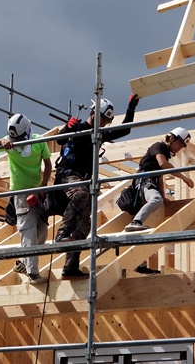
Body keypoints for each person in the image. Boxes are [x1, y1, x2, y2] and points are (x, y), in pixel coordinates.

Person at [54, 94, 139, 278]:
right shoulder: (79, 127)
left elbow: (125, 130)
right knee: (82, 195)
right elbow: (60, 140)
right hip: (68, 175)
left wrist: (131, 106)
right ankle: (62, 234)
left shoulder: (99, 134)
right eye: (103, 119)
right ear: (93, 113)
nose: (105, 124)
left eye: (107, 122)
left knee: (84, 223)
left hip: (84, 180)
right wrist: (66, 127)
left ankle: (71, 267)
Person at [0, 113, 52, 284]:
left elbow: (48, 164)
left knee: (42, 231)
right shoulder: (9, 142)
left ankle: (23, 262)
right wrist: (0, 142)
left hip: (37, 191)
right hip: (21, 194)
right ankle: (33, 273)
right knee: (28, 231)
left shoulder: (38, 141)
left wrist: (44, 186)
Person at [124, 127, 195, 274]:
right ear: (171, 138)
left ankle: (141, 264)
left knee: (150, 224)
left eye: (182, 146)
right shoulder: (159, 146)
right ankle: (135, 222)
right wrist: (184, 177)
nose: (180, 148)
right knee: (155, 200)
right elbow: (162, 165)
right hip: (143, 183)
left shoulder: (165, 154)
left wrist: (164, 196)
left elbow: (160, 177)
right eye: (180, 144)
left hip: (150, 183)